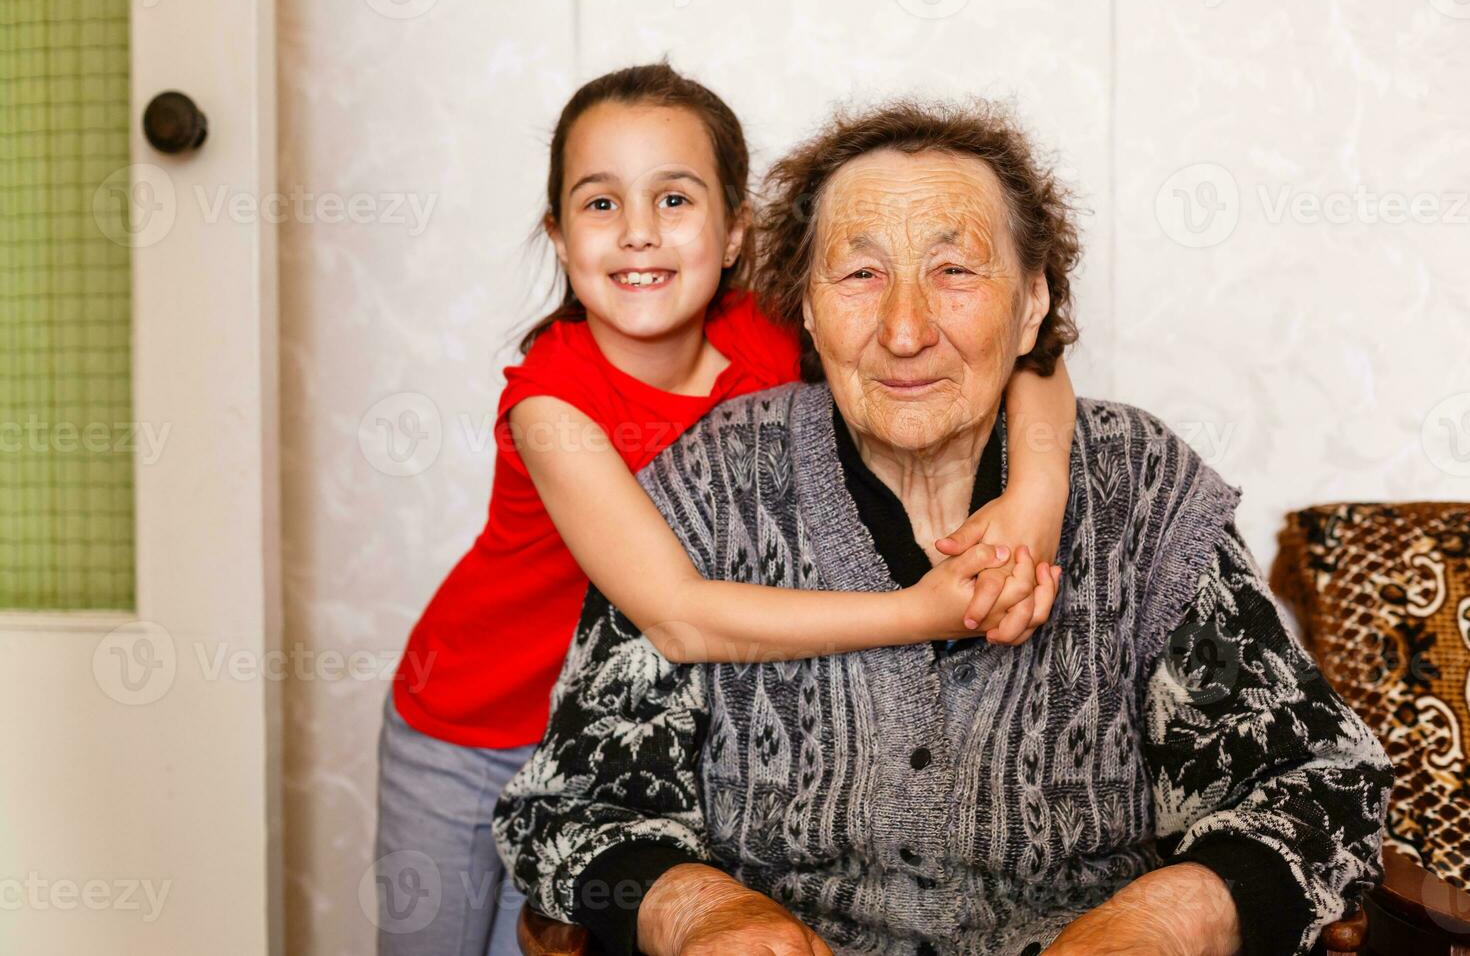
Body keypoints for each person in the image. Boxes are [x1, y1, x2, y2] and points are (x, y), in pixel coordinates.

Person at [492, 98, 1394, 956]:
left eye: (956, 270)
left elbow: (1320, 778)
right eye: (859, 273)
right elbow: (572, 803)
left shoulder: (1140, 487)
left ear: (1034, 302)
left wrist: (1171, 916)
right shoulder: (708, 483)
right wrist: (702, 910)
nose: (906, 327)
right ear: (805, 304)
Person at [374, 65, 1078, 955]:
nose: (637, 234)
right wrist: (921, 612)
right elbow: (677, 616)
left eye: (674, 199)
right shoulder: (550, 405)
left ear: (737, 228)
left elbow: (1038, 358)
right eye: (599, 205)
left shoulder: (780, 330)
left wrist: (1035, 499)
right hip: (475, 726)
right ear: (556, 235)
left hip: (630, 737)